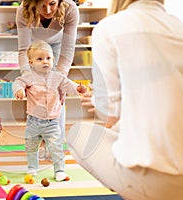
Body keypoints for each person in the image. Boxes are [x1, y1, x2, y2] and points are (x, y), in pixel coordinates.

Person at [67, 0, 183, 199]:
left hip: (157, 180)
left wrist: (98, 101)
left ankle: (136, 191)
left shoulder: (110, 28)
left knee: (78, 134)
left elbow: (109, 113)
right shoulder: (178, 27)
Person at [12, 40, 86, 181]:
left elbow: (69, 85)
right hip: (33, 121)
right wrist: (20, 90)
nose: (45, 62)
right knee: (31, 147)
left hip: (52, 122)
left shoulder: (58, 77)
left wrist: (78, 88)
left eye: (48, 58)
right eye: (40, 59)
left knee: (55, 147)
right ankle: (32, 168)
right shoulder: (28, 77)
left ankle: (60, 170)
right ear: (31, 62)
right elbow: (18, 83)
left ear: (53, 59)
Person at [16, 0, 79, 160]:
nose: (48, 10)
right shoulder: (23, 10)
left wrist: (60, 80)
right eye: (42, 6)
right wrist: (27, 76)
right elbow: (23, 50)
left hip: (58, 46)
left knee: (56, 94)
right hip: (34, 47)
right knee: (35, 92)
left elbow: (68, 50)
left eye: (52, 3)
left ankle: (54, 147)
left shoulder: (70, 9)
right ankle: (36, 143)